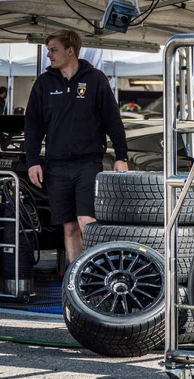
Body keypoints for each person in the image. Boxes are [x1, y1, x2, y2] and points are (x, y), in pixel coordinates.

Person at [24, 29, 129, 263]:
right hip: (56, 167)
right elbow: (32, 127)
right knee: (69, 227)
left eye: (54, 50)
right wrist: (32, 162)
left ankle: (97, 277)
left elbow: (113, 120)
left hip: (88, 164)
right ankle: (75, 283)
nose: (49, 55)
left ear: (70, 51)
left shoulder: (95, 79)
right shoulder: (43, 83)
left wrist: (121, 156)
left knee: (87, 223)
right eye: (48, 50)